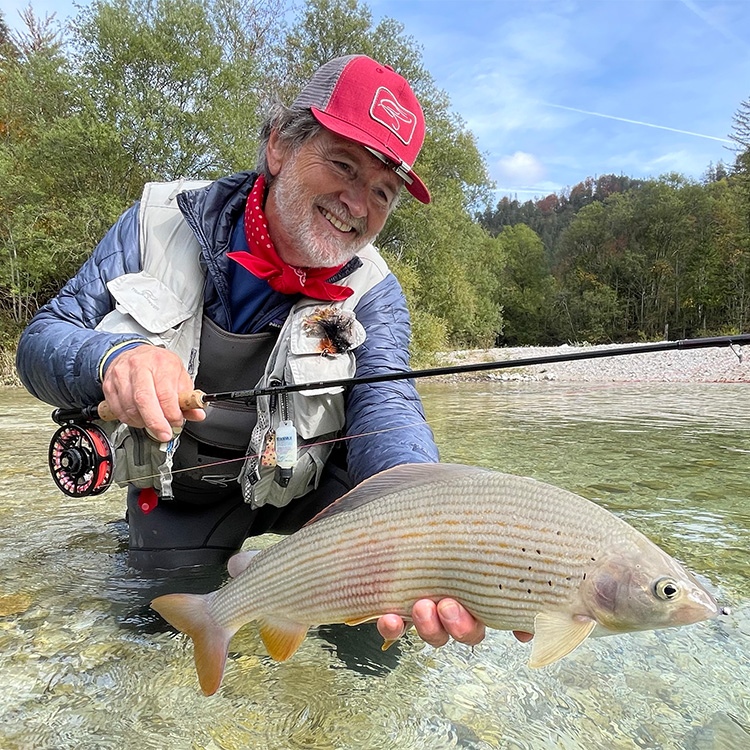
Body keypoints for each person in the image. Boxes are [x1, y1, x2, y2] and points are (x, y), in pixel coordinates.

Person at [17, 54, 498, 651]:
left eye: (382, 190)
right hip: (182, 494)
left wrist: (428, 526)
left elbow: (388, 405)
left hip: (308, 491)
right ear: (279, 146)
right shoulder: (157, 224)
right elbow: (40, 344)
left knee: (375, 644)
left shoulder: (375, 292)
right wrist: (113, 359)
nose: (356, 203)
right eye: (343, 165)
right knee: (149, 639)